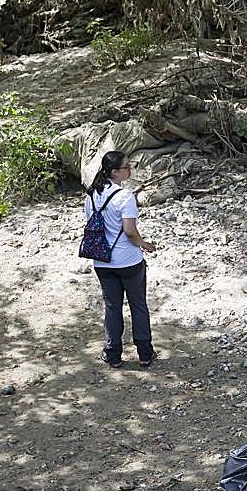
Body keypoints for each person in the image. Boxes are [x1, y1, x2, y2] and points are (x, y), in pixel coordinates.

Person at [84, 151, 156, 368]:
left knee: (112, 306)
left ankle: (113, 353)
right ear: (114, 172)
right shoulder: (125, 197)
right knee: (138, 305)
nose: (130, 170)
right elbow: (130, 232)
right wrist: (145, 244)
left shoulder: (91, 195)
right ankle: (145, 353)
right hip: (128, 261)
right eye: (126, 167)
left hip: (102, 261)